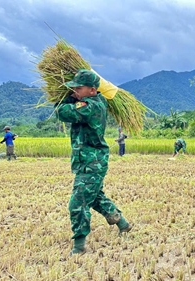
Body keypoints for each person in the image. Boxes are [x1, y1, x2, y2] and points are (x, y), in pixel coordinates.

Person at [55, 69, 132, 256]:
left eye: (78, 88)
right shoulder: (94, 101)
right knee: (95, 197)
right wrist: (74, 96)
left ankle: (79, 246)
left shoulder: (91, 106)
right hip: (87, 161)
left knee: (78, 203)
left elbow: (62, 113)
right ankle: (123, 223)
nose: (75, 91)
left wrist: (65, 98)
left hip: (92, 162)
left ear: (92, 90)